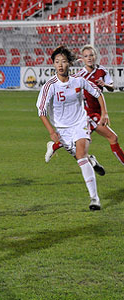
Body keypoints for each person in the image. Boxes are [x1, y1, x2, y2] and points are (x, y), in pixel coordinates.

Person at [36, 46, 109, 211]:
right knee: (81, 158)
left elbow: (98, 94)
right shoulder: (50, 86)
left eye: (63, 61)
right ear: (53, 65)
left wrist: (104, 113)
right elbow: (41, 112)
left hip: (80, 123)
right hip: (62, 130)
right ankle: (92, 160)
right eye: (57, 62)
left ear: (69, 63)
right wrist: (52, 132)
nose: (60, 65)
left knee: (81, 155)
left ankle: (94, 199)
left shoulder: (78, 81)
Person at [45, 45, 124, 168]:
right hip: (87, 115)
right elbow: (67, 85)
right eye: (86, 56)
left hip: (97, 113)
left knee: (75, 140)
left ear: (96, 56)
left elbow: (112, 88)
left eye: (91, 55)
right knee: (112, 137)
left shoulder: (102, 71)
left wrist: (105, 85)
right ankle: (89, 162)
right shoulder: (80, 76)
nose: (89, 58)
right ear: (82, 59)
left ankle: (55, 146)